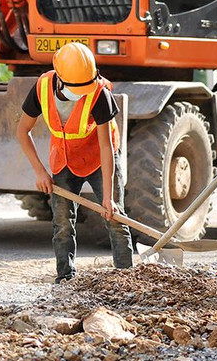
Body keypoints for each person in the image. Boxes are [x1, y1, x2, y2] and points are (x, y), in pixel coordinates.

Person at [16, 42, 133, 283]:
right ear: (60, 78)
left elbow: (106, 147)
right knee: (62, 223)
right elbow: (22, 131)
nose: (82, 93)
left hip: (99, 160)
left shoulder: (100, 93)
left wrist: (108, 197)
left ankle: (126, 278)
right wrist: (40, 172)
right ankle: (66, 279)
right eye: (77, 88)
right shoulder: (42, 88)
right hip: (64, 160)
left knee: (116, 219)